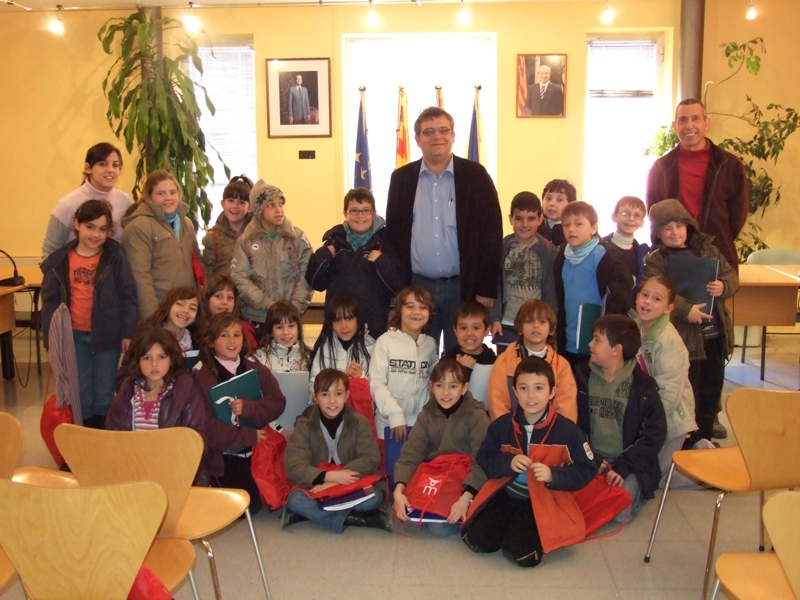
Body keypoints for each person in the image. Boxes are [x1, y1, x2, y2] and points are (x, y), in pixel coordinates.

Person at [385, 106, 503, 351]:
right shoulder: (401, 179)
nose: (436, 136)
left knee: (460, 357)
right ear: (417, 139)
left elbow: (492, 236)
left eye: (443, 130)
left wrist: (486, 288)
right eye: (428, 131)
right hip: (417, 287)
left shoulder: (476, 176)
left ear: (453, 135)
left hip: (462, 287)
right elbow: (395, 237)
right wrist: (400, 288)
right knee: (415, 356)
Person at [462, 357, 595, 567]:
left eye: (539, 388)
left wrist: (554, 475)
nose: (531, 396)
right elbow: (485, 458)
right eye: (523, 388)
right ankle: (509, 525)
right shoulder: (502, 426)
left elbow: (586, 469)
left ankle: (524, 531)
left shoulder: (569, 431)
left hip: (542, 499)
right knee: (476, 541)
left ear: (552, 392)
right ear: (515, 392)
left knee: (521, 555)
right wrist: (508, 463)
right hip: (506, 492)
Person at [644, 199, 738, 442]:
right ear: (657, 233)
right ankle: (689, 445)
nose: (674, 232)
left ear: (689, 227)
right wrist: (686, 310)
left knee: (711, 393)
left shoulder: (710, 251)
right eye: (667, 228)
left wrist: (724, 285)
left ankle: (705, 441)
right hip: (685, 341)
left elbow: (731, 275)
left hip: (714, 337)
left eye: (679, 225)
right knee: (689, 395)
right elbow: (657, 293)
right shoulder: (656, 260)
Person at [40, 199, 138, 428]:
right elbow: (49, 304)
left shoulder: (115, 257)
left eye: (103, 229)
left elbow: (129, 296)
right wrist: (50, 341)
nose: (96, 234)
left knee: (104, 392)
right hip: (73, 336)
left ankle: (102, 441)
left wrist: (128, 333)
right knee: (81, 392)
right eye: (90, 227)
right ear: (76, 224)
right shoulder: (59, 261)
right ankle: (83, 442)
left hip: (107, 337)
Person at [575, 315, 666, 521]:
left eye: (597, 340)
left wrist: (625, 466)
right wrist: (592, 458)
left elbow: (654, 434)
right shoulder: (581, 377)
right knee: (569, 497)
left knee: (620, 513)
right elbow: (573, 426)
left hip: (629, 463)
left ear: (617, 350)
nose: (590, 344)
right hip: (592, 458)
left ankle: (640, 487)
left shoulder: (643, 387)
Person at [192, 313, 286, 514]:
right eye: (224, 335)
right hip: (224, 455)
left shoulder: (254, 367)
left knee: (261, 501)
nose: (232, 341)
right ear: (211, 342)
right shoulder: (202, 375)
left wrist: (250, 408)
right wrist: (246, 435)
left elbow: (278, 403)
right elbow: (205, 425)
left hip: (256, 451)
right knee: (242, 509)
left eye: (237, 335)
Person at [646, 98, 749, 271]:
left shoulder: (730, 165)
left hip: (717, 256)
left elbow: (738, 215)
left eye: (695, 119)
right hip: (671, 258)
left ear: (706, 123)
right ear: (674, 125)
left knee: (710, 300)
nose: (689, 125)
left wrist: (716, 238)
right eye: (683, 120)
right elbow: (655, 213)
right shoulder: (661, 168)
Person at [283, 369, 390, 533]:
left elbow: (371, 457)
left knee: (375, 497)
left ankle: (316, 514)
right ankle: (350, 518)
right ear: (315, 397)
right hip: (318, 486)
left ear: (347, 395)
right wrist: (328, 477)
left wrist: (337, 480)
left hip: (350, 483)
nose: (332, 401)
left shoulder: (359, 422)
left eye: (338, 394)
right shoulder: (304, 425)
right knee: (294, 499)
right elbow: (294, 466)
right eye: (325, 394)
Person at [106, 326, 215, 485]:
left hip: (176, 476)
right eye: (146, 358)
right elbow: (111, 442)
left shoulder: (187, 391)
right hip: (133, 475)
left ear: (171, 360)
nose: (154, 364)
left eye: (162, 357)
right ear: (137, 361)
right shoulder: (126, 394)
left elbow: (196, 444)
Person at [392, 359, 489, 537]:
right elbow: (410, 454)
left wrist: (465, 499)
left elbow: (483, 461)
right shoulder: (426, 415)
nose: (445, 393)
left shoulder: (477, 416)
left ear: (464, 388)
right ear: (431, 387)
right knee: (405, 516)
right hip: (436, 476)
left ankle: (471, 511)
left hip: (466, 479)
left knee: (440, 528)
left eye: (453, 386)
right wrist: (398, 490)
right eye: (439, 385)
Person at [634, 277, 706, 487]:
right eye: (644, 295)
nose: (647, 302)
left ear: (668, 308)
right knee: (641, 470)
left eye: (657, 299)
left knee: (656, 478)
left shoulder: (669, 343)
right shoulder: (633, 328)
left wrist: (646, 426)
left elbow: (669, 396)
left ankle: (707, 469)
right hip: (646, 412)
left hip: (671, 418)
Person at [305, 187, 404, 338]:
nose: (360, 216)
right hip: (337, 328)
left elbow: (398, 288)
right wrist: (322, 257)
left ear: (374, 213)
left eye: (366, 210)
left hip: (372, 329)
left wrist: (381, 262)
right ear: (345, 213)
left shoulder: (385, 244)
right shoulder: (334, 242)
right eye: (354, 211)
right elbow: (315, 283)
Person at [553, 201, 634, 368]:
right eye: (566, 225)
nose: (571, 229)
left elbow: (620, 297)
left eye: (579, 224)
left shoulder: (606, 256)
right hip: (568, 339)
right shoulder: (562, 257)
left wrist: (606, 332)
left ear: (593, 228)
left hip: (598, 341)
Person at [230, 180, 313, 340]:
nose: (278, 210)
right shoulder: (245, 242)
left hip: (291, 320)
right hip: (259, 319)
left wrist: (293, 308)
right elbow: (239, 278)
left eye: (280, 204)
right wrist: (268, 304)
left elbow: (307, 276)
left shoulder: (297, 238)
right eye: (271, 205)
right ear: (258, 209)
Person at [120, 170, 197, 319]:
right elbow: (140, 278)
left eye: (172, 192)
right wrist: (154, 318)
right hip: (160, 310)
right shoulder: (139, 226)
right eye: (161, 193)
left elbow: (196, 262)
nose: (168, 198)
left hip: (186, 309)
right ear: (149, 196)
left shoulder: (186, 223)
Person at [487, 299, 577, 423]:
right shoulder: (504, 361)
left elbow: (567, 408)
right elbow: (496, 402)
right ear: (519, 328)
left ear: (551, 329)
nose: (536, 325)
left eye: (542, 321)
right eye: (529, 321)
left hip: (551, 437)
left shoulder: (561, 365)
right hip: (511, 436)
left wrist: (555, 436)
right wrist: (508, 434)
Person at [488, 191, 557, 351]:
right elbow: (494, 286)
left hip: (537, 326)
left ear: (540, 219)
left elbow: (552, 291)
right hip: (506, 324)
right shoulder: (500, 248)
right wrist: (494, 318)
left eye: (531, 218)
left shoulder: (549, 251)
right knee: (507, 372)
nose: (525, 224)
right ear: (510, 218)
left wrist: (550, 323)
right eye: (519, 218)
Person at [369, 286, 438, 443]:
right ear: (399, 310)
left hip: (421, 428)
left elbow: (434, 385)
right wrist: (394, 415)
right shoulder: (385, 342)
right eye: (410, 306)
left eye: (423, 307)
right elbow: (376, 384)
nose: (416, 312)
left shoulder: (430, 345)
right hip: (389, 426)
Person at [41, 142, 132, 260]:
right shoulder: (67, 204)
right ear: (88, 168)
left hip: (113, 274)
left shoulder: (125, 201)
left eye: (115, 165)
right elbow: (49, 252)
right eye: (103, 164)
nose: (110, 170)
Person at [309, 293, 374, 397]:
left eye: (349, 318)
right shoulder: (325, 348)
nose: (344, 326)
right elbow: (312, 390)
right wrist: (342, 379)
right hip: (329, 410)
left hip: (360, 412)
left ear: (358, 320)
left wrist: (362, 378)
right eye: (337, 320)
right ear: (331, 324)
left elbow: (379, 390)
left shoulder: (372, 347)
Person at [201, 175, 253, 278]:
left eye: (241, 202)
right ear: (223, 203)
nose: (235, 206)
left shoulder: (257, 233)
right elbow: (207, 275)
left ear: (250, 207)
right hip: (224, 292)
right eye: (230, 200)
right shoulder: (213, 238)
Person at [200, 273, 258, 348]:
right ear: (206, 299)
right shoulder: (198, 328)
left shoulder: (244, 329)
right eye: (218, 296)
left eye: (230, 298)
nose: (225, 302)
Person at [442, 301, 496, 382]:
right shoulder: (448, 360)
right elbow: (445, 392)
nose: (469, 333)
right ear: (455, 331)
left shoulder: (494, 362)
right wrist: (462, 370)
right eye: (463, 328)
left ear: (486, 330)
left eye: (476, 328)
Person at [603, 196, 650, 287]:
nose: (631, 218)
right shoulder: (602, 247)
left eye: (637, 215)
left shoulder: (642, 254)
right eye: (625, 213)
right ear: (614, 217)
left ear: (642, 223)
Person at [255, 301, 311, 373]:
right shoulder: (259, 359)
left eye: (291, 326)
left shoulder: (309, 357)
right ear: (271, 331)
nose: (286, 332)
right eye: (279, 327)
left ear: (298, 328)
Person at [145, 286, 203, 352]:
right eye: (179, 304)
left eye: (192, 308)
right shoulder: (149, 337)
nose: (186, 310)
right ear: (167, 306)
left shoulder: (197, 342)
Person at [536, 179, 576, 247]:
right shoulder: (535, 224)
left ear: (570, 204)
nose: (552, 203)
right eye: (548, 198)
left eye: (559, 200)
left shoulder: (574, 229)